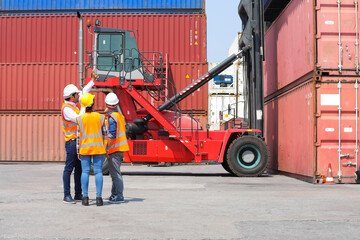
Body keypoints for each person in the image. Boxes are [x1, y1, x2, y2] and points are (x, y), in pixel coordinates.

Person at [61, 69, 97, 204]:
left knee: (79, 169)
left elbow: (84, 91)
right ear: (72, 96)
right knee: (69, 168)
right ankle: (66, 195)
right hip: (71, 142)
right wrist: (84, 105)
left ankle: (78, 194)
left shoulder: (74, 104)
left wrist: (92, 80)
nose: (79, 95)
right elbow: (80, 119)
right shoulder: (67, 109)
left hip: (79, 142)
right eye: (77, 94)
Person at [77, 93, 108, 206]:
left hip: (84, 149)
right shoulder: (100, 117)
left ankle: (85, 198)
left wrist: (78, 151)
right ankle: (99, 198)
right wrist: (105, 148)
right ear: (93, 103)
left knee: (85, 172)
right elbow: (106, 134)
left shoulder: (80, 119)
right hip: (98, 148)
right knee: (98, 172)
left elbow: (78, 136)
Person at [104, 93, 129, 204]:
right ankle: (114, 194)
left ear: (106, 104)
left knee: (115, 174)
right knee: (114, 173)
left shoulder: (112, 118)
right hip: (120, 148)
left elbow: (112, 135)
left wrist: (107, 148)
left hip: (114, 149)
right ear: (117, 103)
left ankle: (119, 195)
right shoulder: (119, 116)